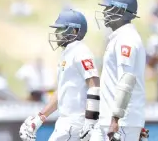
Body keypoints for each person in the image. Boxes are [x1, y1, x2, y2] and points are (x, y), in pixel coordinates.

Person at [19, 9, 100, 141]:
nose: (57, 34)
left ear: (74, 31)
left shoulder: (81, 51)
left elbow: (94, 85)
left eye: (61, 29)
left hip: (75, 122)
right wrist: (39, 118)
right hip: (66, 122)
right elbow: (62, 92)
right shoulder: (67, 53)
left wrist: (90, 122)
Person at [91, 0, 146, 141]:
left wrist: (115, 120)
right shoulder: (119, 37)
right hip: (111, 120)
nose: (104, 12)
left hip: (120, 122)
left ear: (121, 11)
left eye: (109, 8)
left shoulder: (126, 39)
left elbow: (126, 81)